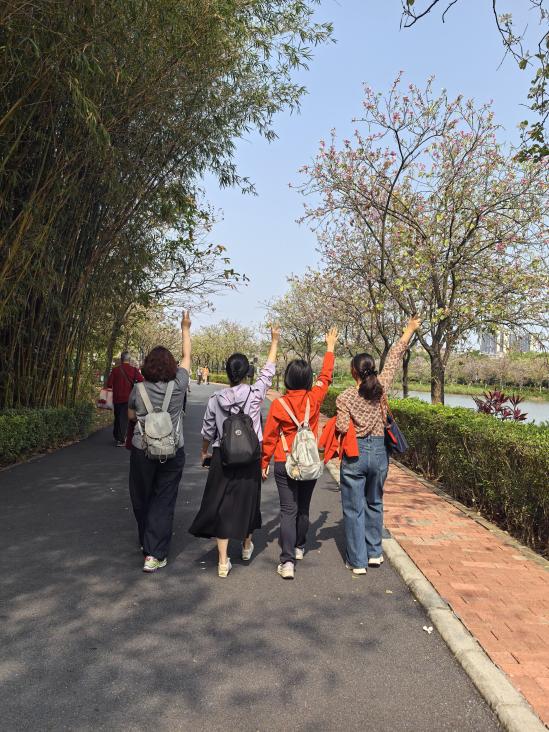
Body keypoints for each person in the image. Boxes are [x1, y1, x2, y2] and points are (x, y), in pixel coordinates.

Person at [189, 326, 280, 578]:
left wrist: (204, 452)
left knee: (222, 505)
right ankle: (247, 546)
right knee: (248, 501)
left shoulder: (215, 399)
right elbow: (268, 371)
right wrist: (274, 341)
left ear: (228, 373)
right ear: (247, 372)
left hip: (223, 457)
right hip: (250, 457)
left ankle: (222, 561)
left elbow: (208, 430)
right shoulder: (255, 394)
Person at [336, 315, 421, 576]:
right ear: (372, 369)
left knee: (354, 508)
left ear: (353, 372)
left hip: (356, 454)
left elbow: (342, 427)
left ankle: (357, 561)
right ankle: (374, 553)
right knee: (375, 501)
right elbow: (395, 356)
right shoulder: (381, 388)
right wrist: (409, 329)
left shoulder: (345, 397)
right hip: (380, 452)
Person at [261, 328, 338, 580]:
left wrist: (264, 462)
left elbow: (270, 437)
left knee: (288, 510)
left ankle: (287, 562)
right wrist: (330, 348)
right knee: (303, 507)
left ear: (287, 379)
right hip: (309, 462)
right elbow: (325, 378)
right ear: (307, 380)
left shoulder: (279, 404)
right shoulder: (314, 399)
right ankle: (299, 546)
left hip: (285, 461)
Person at [127, 311, 192, 573]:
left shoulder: (138, 388)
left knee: (141, 496)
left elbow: (130, 416)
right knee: (164, 499)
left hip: (142, 451)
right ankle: (155, 553)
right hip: (172, 451)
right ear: (171, 366)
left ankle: (147, 540)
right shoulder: (179, 386)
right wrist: (185, 328)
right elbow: (187, 357)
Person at [106, 352, 143, 446]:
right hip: (128, 398)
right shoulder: (134, 370)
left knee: (118, 417)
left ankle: (117, 436)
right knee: (124, 419)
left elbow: (109, 384)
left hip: (116, 398)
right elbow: (141, 380)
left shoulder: (115, 370)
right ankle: (121, 440)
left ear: (121, 359)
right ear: (129, 360)